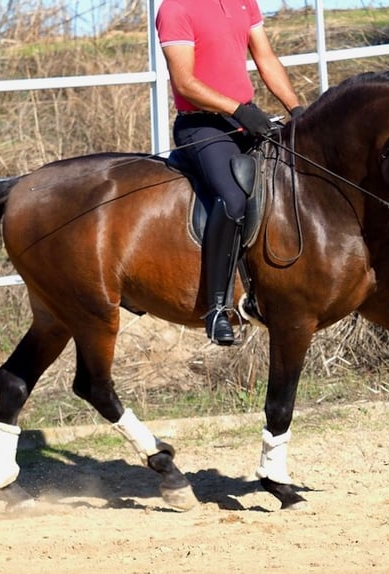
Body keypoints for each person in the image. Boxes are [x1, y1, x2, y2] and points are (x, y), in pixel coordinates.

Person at [156, 0, 304, 346]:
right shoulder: (175, 9)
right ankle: (216, 308)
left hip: (244, 118)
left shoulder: (243, 2)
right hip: (202, 125)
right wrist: (237, 110)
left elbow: (265, 58)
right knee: (234, 198)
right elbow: (185, 82)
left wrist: (297, 110)